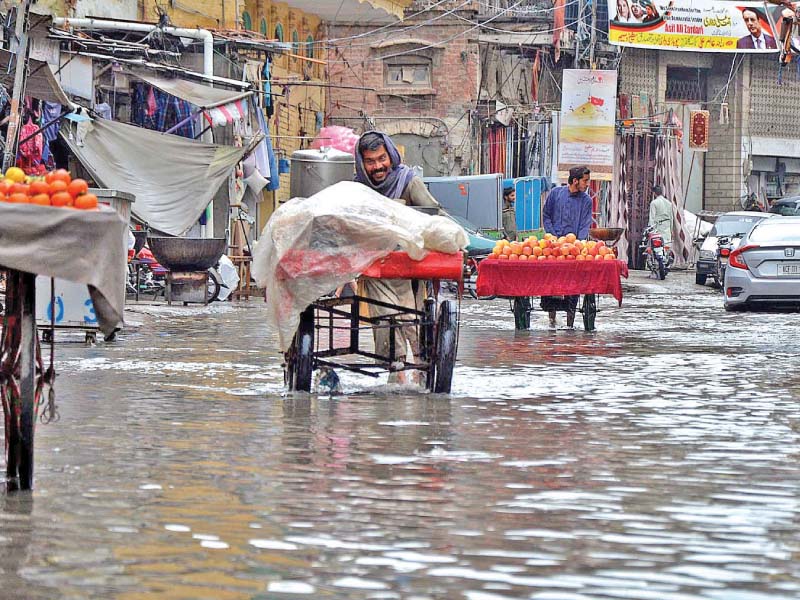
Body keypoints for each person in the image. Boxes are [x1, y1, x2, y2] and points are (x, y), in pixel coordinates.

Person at [354, 131, 443, 382]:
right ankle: (396, 376)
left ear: (390, 156)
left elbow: (432, 214)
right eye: (370, 161)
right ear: (362, 163)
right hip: (375, 270)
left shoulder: (408, 181)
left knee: (411, 321)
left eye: (381, 158)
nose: (377, 166)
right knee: (383, 321)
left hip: (408, 268)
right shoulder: (358, 187)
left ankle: (420, 373)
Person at [542, 166, 593, 329]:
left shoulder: (586, 201)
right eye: (585, 181)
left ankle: (570, 322)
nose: (587, 184)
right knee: (552, 279)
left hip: (574, 249)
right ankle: (552, 319)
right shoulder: (556, 193)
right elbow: (546, 215)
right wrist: (553, 236)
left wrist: (577, 243)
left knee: (574, 281)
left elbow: (585, 225)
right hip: (553, 245)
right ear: (575, 180)